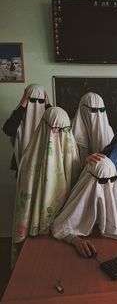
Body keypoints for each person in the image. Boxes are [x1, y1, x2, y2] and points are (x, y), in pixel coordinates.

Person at [12, 106, 80, 264]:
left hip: (66, 230)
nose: (61, 135)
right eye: (56, 130)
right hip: (35, 234)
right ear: (45, 128)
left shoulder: (73, 150)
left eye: (66, 130)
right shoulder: (30, 159)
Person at [51, 156, 117, 257]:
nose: (108, 186)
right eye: (102, 182)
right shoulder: (83, 194)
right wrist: (76, 240)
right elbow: (59, 225)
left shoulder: (116, 191)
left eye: (112, 179)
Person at [2, 84, 51, 173]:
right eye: (32, 100)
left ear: (45, 100)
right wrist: (22, 105)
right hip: (23, 163)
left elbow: (56, 124)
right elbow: (8, 129)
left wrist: (48, 106)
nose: (36, 105)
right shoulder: (18, 115)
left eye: (41, 101)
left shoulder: (49, 116)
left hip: (46, 163)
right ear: (25, 99)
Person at [72, 92, 114, 175]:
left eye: (102, 110)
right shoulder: (69, 131)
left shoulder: (109, 131)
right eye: (93, 110)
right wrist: (84, 163)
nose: (98, 115)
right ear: (82, 109)